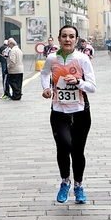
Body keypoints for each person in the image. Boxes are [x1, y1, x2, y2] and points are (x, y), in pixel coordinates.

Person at [40, 24, 97, 204]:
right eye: (64, 36)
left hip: (80, 112)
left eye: (71, 36)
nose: (67, 39)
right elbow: (44, 73)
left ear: (76, 39)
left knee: (78, 151)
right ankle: (65, 181)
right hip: (59, 112)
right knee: (64, 146)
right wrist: (46, 88)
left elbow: (92, 87)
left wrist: (78, 82)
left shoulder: (82, 59)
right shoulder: (52, 59)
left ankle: (79, 186)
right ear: (59, 39)